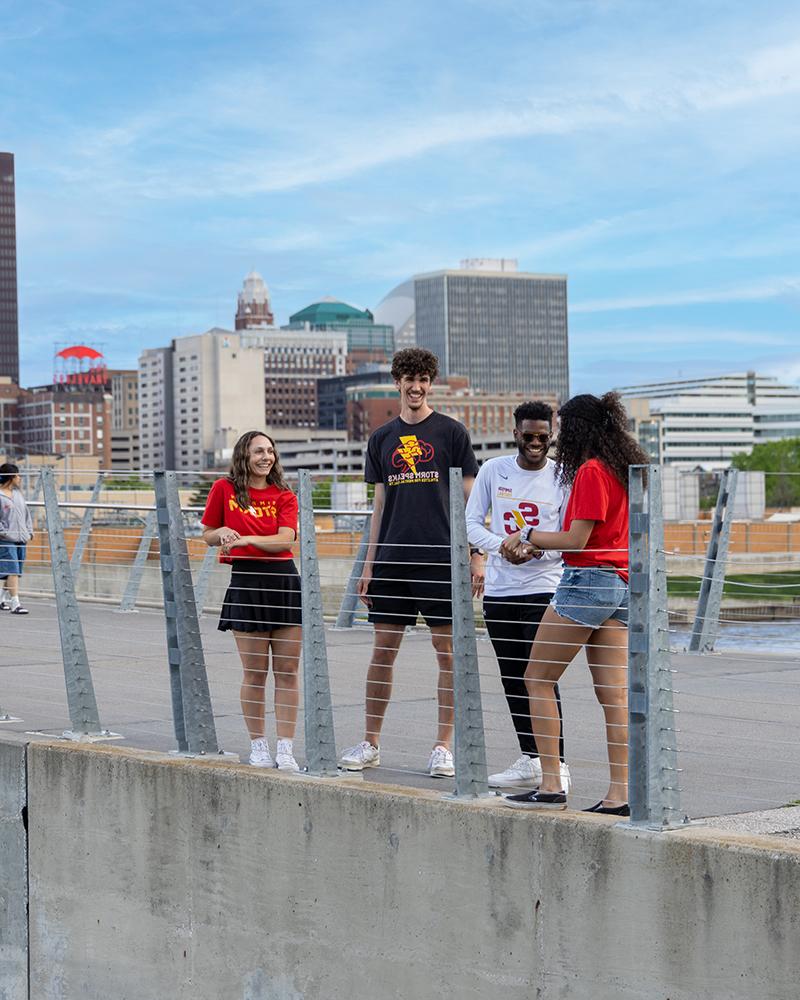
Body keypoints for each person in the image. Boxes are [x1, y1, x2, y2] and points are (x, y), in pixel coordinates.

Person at [501, 392, 648, 814]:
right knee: (613, 696)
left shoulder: (590, 472)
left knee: (536, 678)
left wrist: (528, 536)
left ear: (577, 429)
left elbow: (576, 540)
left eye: (563, 428)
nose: (559, 437)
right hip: (622, 584)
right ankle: (620, 794)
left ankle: (550, 785)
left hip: (587, 582)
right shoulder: (622, 469)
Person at [339, 347, 481, 778]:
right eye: (408, 379)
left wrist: (476, 555)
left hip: (441, 562)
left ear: (430, 383)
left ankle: (442, 747)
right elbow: (379, 506)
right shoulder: (381, 439)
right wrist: (368, 565)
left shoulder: (452, 434)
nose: (415, 387)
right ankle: (371, 742)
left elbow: (470, 501)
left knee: (448, 656)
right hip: (393, 562)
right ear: (397, 383)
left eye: (423, 379)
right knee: (382, 653)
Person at [465, 401, 571, 791]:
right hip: (501, 590)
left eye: (543, 437)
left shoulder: (563, 476)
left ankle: (556, 765)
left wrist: (537, 548)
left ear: (551, 435)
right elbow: (471, 523)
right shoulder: (494, 470)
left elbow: (572, 536)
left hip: (544, 588)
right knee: (513, 678)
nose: (536, 443)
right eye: (528, 436)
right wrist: (500, 547)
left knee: (542, 677)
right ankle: (530, 758)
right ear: (515, 433)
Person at [201, 431, 302, 772]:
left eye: (271, 451)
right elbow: (208, 534)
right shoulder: (223, 489)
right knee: (255, 673)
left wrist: (243, 538)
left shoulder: (285, 494)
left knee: (287, 671)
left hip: (283, 581)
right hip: (246, 582)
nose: (266, 457)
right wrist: (223, 534)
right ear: (244, 454)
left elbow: (285, 540)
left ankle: (285, 748)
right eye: (259, 451)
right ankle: (258, 745)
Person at [0, 463, 33, 616]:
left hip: (21, 539)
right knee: (12, 570)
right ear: (11, 477)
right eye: (18, 475)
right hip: (6, 539)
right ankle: (16, 603)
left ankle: (1, 599)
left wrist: (29, 531)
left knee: (13, 571)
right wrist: (4, 532)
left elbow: (26, 514)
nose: (20, 478)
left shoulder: (18, 494)